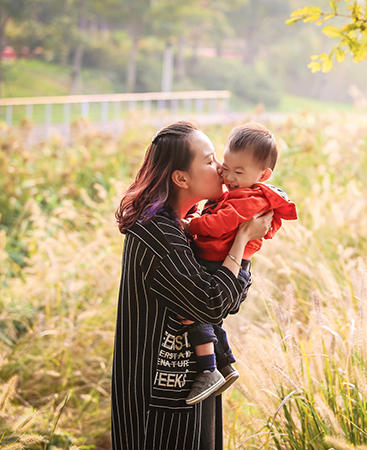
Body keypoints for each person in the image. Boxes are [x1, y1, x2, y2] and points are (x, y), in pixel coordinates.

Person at [111, 121, 273, 449]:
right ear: (181, 178)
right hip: (158, 398)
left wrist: (237, 250)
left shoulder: (185, 226)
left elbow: (229, 299)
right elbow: (213, 302)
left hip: (190, 386)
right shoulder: (159, 233)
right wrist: (242, 240)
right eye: (211, 160)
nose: (221, 168)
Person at [180, 122, 297, 405]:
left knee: (195, 312)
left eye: (238, 172)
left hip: (225, 265)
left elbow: (220, 223)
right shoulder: (241, 191)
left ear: (263, 175)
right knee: (208, 317)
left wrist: (191, 225)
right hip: (220, 260)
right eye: (226, 166)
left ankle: (209, 369)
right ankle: (224, 366)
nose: (228, 176)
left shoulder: (250, 199)